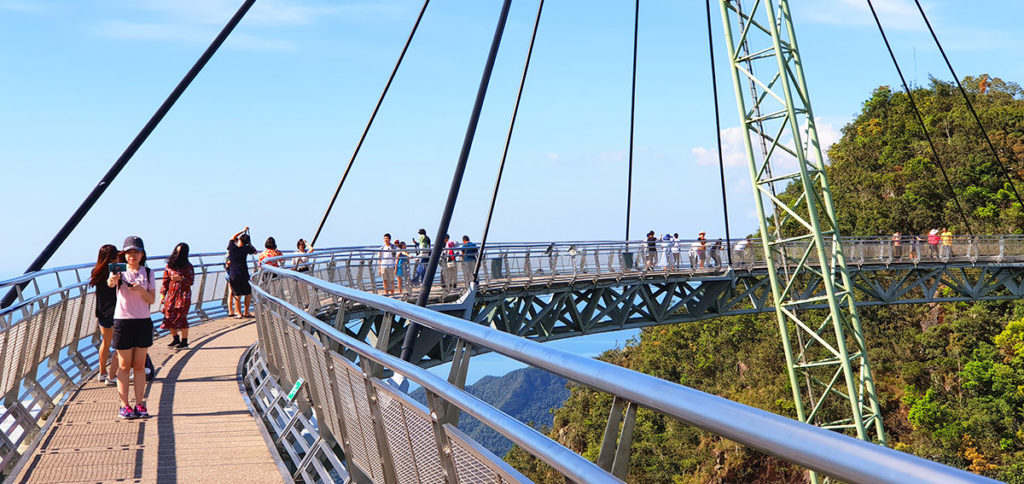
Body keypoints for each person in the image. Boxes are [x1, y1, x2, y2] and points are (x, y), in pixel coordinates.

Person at [108, 236, 155, 419]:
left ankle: (140, 404)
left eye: (135, 252)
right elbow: (110, 284)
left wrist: (140, 290)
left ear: (142, 254)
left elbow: (151, 299)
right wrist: (113, 278)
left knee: (139, 365)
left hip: (142, 321)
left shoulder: (148, 272)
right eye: (128, 252)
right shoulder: (120, 272)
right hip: (123, 321)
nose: (132, 256)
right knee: (124, 365)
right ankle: (124, 405)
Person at [89, 244, 119, 386]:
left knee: (105, 342)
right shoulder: (117, 270)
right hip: (116, 310)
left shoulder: (96, 271)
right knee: (121, 344)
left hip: (101, 310)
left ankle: (102, 372)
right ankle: (115, 373)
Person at [161, 243, 194, 349]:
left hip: (183, 294)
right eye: (177, 252)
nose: (178, 254)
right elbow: (165, 280)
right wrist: (163, 294)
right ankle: (175, 338)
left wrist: (181, 279)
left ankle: (184, 341)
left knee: (181, 316)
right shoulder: (169, 266)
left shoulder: (188, 266)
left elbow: (191, 281)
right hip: (171, 294)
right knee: (168, 316)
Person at [227, 228, 258, 318]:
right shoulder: (246, 248)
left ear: (239, 240)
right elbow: (255, 252)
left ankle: (239, 313)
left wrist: (242, 230)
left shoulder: (232, 247)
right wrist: (249, 244)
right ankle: (246, 312)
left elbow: (233, 237)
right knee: (248, 293)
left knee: (237, 295)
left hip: (234, 274)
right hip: (244, 273)